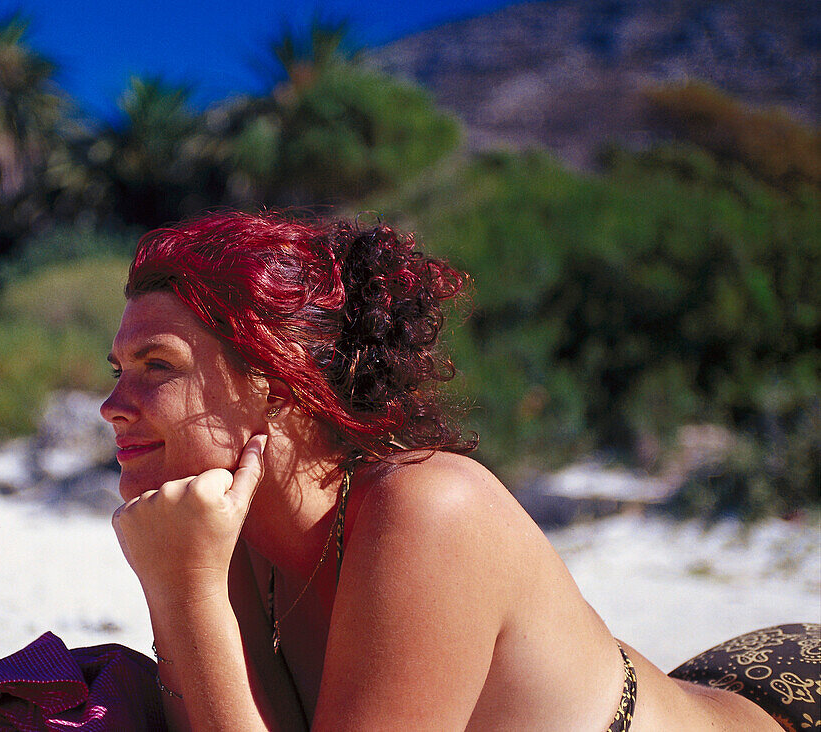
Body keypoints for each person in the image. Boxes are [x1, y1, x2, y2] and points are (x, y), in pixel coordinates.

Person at [104, 211, 806, 731]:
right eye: (118, 371)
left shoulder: (428, 509)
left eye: (156, 366)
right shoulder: (232, 535)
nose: (110, 407)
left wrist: (181, 592)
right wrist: (187, 584)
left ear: (280, 381)